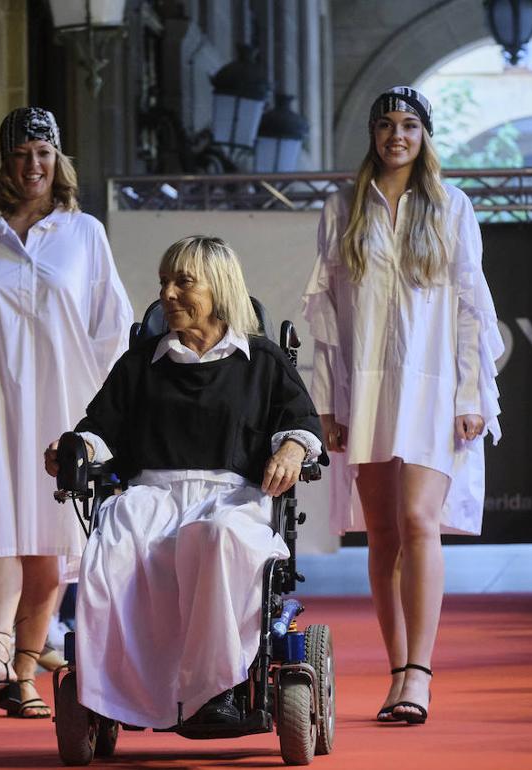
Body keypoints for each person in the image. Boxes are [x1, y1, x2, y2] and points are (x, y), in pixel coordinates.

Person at [44, 235, 324, 728]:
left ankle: (216, 690)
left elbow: (301, 422)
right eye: (164, 283)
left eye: (182, 282)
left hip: (233, 495)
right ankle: (119, 692)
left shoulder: (261, 361)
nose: (167, 294)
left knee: (219, 538)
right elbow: (100, 430)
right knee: (118, 541)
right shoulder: (141, 364)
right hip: (151, 493)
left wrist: (292, 447)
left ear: (218, 288)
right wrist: (76, 449)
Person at [301, 87, 503, 724]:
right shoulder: (343, 207)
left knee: (419, 519)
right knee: (383, 532)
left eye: (410, 124)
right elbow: (327, 316)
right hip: (365, 391)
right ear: (371, 132)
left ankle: (421, 670)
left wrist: (472, 393)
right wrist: (329, 404)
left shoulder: (450, 205)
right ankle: (397, 672)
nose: (397, 135)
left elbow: (471, 309)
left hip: (434, 386)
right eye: (386, 124)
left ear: (425, 134)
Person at [0, 106, 133, 713]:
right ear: (5, 162)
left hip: (64, 403)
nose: (32, 165)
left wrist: (105, 419)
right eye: (20, 154)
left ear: (58, 159)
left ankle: (20, 672)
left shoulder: (85, 233)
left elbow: (111, 330)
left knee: (48, 539)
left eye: (42, 153)